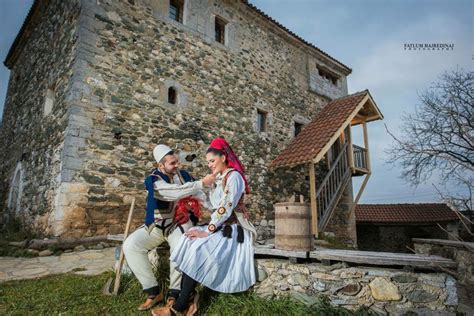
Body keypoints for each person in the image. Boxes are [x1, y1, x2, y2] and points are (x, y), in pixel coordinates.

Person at [152, 138, 257, 316]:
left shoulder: (234, 177)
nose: (209, 165)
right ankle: (189, 299)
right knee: (188, 240)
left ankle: (177, 308)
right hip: (219, 225)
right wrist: (195, 193)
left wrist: (207, 231)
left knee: (198, 248)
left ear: (223, 157)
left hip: (234, 228)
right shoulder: (219, 177)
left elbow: (225, 208)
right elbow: (212, 204)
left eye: (212, 161)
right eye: (207, 161)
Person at [123, 144, 215, 311]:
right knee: (130, 245)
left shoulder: (185, 176)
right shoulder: (154, 181)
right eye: (172, 163)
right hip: (156, 226)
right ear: (161, 165)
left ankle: (174, 294)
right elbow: (174, 192)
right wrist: (201, 183)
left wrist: (217, 211)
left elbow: (200, 196)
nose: (177, 165)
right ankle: (153, 291)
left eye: (177, 162)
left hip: (177, 225)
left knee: (180, 246)